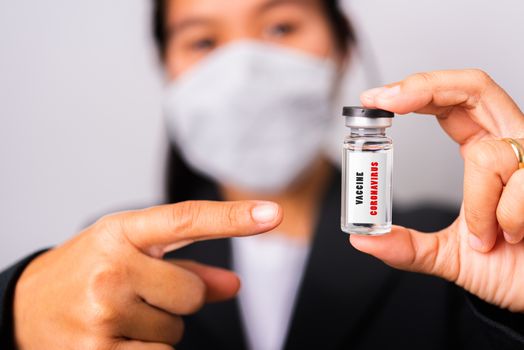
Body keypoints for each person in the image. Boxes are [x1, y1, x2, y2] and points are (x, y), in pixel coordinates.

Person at [1, 0, 524, 349]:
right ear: (168, 71)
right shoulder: (112, 259)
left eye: (280, 27)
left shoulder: (459, 247)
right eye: (203, 41)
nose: (244, 66)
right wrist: (14, 314)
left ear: (341, 47)